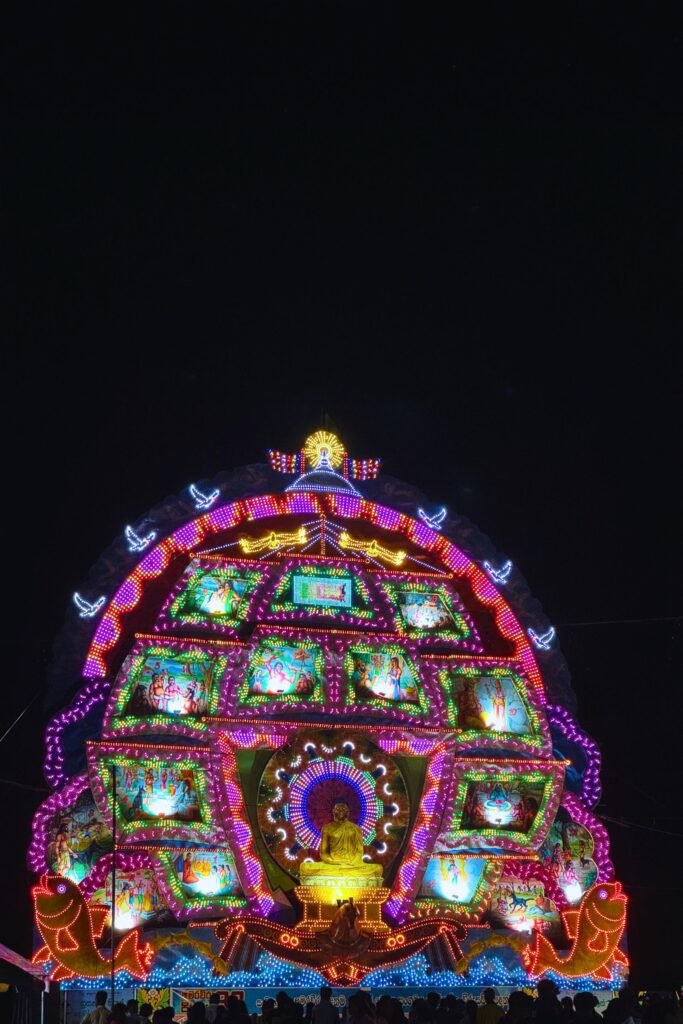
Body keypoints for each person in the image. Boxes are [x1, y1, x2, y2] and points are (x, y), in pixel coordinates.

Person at [299, 800, 382, 882]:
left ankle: (344, 871)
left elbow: (359, 852)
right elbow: (323, 853)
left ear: (348, 812)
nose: (341, 811)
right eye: (338, 809)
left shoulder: (356, 829)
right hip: (333, 864)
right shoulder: (327, 828)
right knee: (305, 867)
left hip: (351, 864)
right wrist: (332, 861)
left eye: (343, 809)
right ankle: (344, 871)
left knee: (377, 869)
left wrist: (351, 862)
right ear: (333, 811)